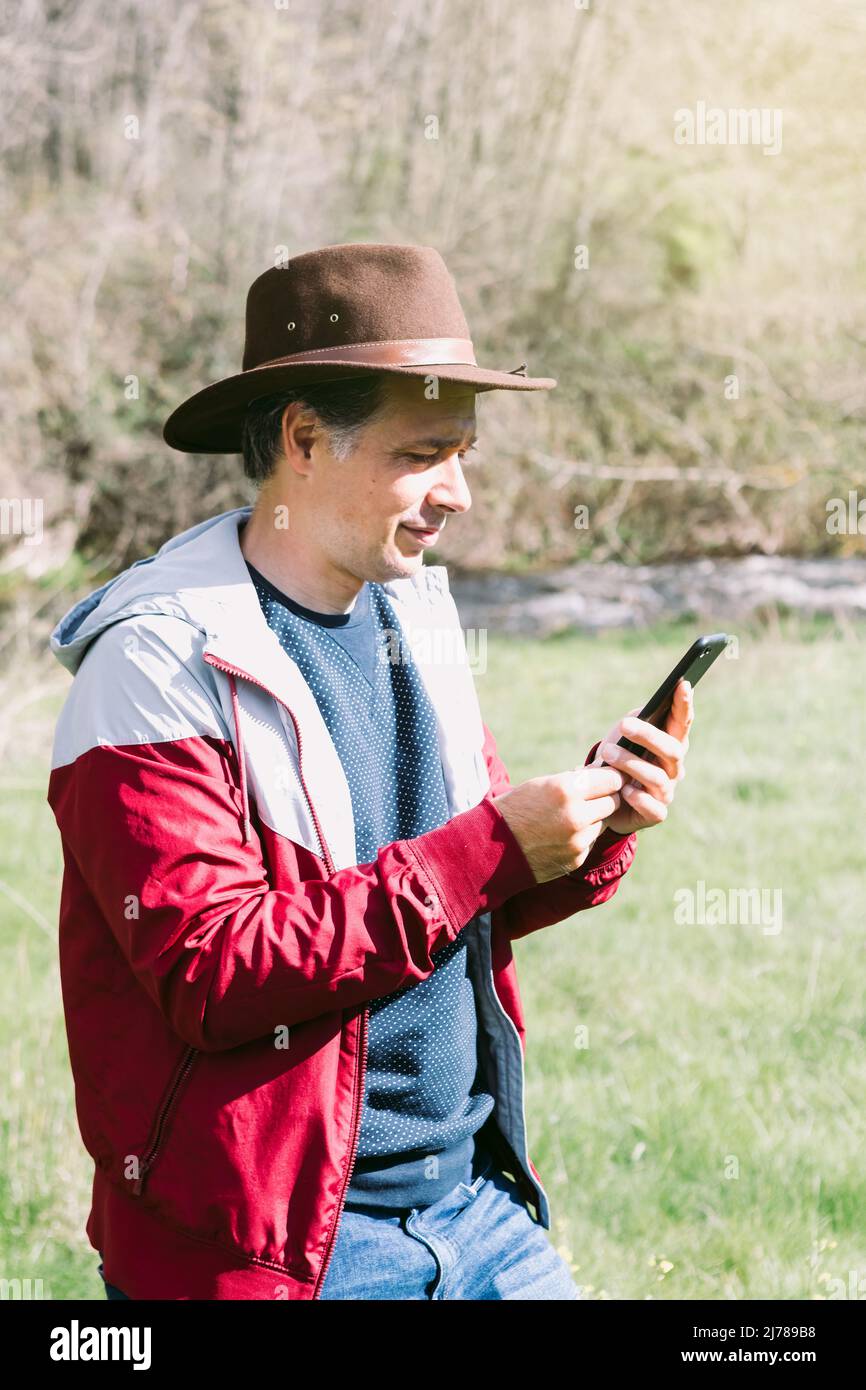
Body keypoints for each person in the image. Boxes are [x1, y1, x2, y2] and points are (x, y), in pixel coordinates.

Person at [47, 242, 692, 1301]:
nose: (460, 493)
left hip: (474, 1209)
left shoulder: (417, 618)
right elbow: (216, 972)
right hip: (283, 1251)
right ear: (302, 437)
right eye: (426, 451)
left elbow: (447, 904)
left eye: (464, 451)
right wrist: (489, 845)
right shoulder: (153, 665)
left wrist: (588, 830)